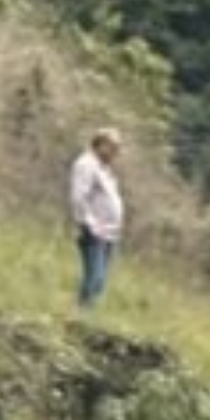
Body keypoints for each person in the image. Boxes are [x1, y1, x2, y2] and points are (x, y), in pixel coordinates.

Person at [66, 128, 125, 312]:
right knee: (94, 277)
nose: (116, 153)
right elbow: (79, 196)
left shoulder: (104, 169)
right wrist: (88, 223)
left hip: (109, 232)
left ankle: (87, 312)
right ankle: (81, 313)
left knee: (100, 281)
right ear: (100, 145)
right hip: (95, 229)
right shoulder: (86, 165)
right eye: (112, 147)